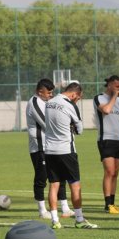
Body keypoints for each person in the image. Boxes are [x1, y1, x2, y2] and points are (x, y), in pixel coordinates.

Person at [44, 82, 98, 229]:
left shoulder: (49, 103)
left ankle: (55, 221)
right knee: (74, 185)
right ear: (74, 94)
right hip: (66, 150)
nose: (77, 101)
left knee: (54, 185)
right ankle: (79, 219)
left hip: (49, 150)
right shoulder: (70, 105)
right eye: (78, 98)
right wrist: (72, 127)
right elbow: (80, 129)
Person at [26, 78, 73, 219]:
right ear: (40, 92)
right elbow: (47, 123)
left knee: (60, 176)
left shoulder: (48, 103)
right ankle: (42, 210)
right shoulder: (34, 103)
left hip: (53, 146)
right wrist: (63, 126)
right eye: (48, 93)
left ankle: (65, 208)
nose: (50, 95)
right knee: (42, 177)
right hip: (40, 147)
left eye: (52, 92)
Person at [93, 75, 119, 214]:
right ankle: (107, 204)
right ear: (109, 85)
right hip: (106, 140)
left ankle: (113, 203)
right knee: (109, 171)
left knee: (115, 173)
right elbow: (106, 110)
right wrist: (113, 96)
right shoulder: (99, 98)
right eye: (116, 86)